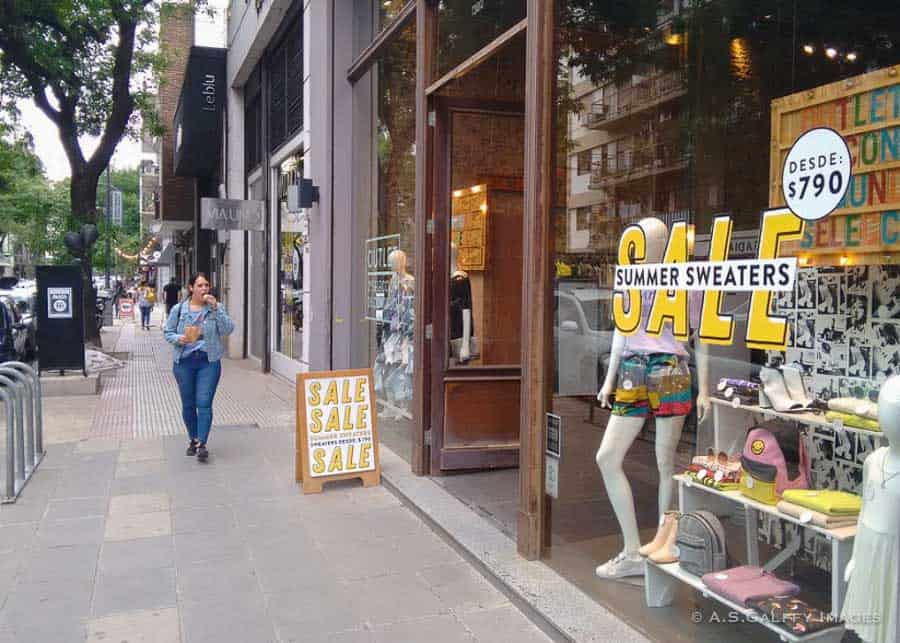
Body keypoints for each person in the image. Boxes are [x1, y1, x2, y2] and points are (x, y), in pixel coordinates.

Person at [164, 273, 234, 462]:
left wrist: (216, 308)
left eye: (206, 285)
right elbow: (167, 332)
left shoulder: (214, 309)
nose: (204, 289)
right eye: (200, 285)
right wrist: (180, 338)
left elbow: (228, 329)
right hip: (184, 362)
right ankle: (193, 438)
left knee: (203, 403)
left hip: (208, 361)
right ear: (191, 288)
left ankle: (202, 443)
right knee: (188, 404)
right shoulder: (178, 310)